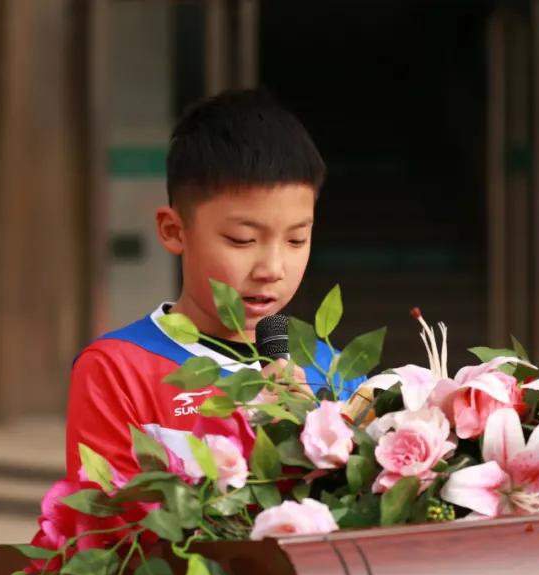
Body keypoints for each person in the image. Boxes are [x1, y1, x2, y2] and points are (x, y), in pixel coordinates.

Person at [65, 88, 360, 481]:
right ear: (174, 230)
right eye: (242, 240)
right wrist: (253, 434)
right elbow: (105, 527)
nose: (272, 268)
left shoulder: (339, 374)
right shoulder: (118, 371)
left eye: (296, 240)